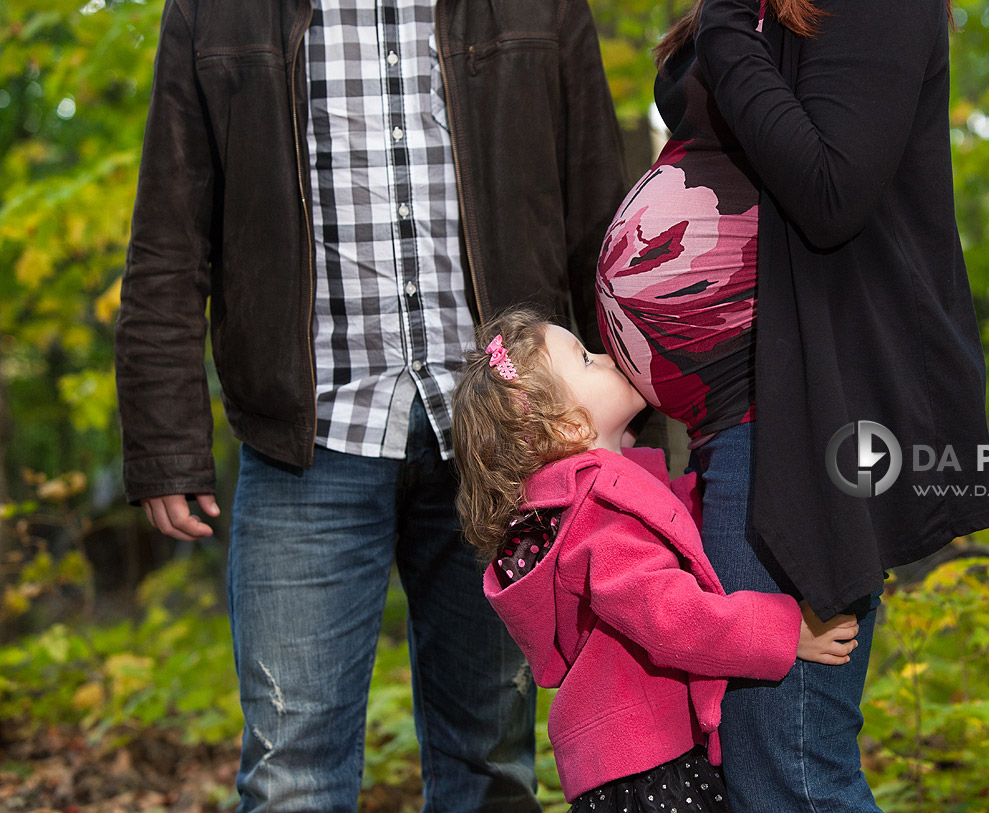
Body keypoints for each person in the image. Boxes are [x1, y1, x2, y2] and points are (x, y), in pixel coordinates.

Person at [114, 0, 627, 808]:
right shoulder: (214, 13)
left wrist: (635, 420)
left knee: (493, 764)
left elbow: (600, 217)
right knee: (291, 775)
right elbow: (169, 239)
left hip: (509, 441)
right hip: (307, 438)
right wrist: (163, 440)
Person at [596, 0, 989, 809]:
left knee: (791, 770)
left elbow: (830, 190)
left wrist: (719, 24)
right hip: (734, 423)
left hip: (801, 417)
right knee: (761, 759)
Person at [450, 308, 862, 812]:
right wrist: (782, 632)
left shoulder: (592, 501)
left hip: (639, 761)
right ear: (556, 429)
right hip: (648, 770)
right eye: (585, 359)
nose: (606, 358)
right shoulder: (596, 515)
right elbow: (670, 616)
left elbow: (679, 534)